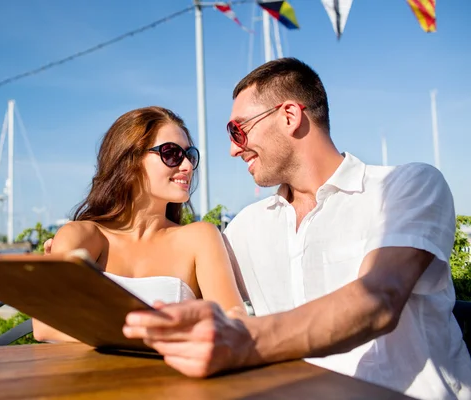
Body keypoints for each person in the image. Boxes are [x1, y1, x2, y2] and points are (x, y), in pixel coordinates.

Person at [119, 59, 471, 399]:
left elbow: (378, 299)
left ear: (289, 116)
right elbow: (171, 283)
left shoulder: (405, 186)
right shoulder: (245, 228)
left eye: (237, 130)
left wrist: (245, 340)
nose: (231, 149)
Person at [33, 106, 246, 343]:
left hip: (173, 378)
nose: (187, 166)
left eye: (190, 155)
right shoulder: (84, 235)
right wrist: (164, 333)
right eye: (171, 153)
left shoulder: (200, 237)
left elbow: (234, 326)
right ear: (129, 160)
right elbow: (44, 325)